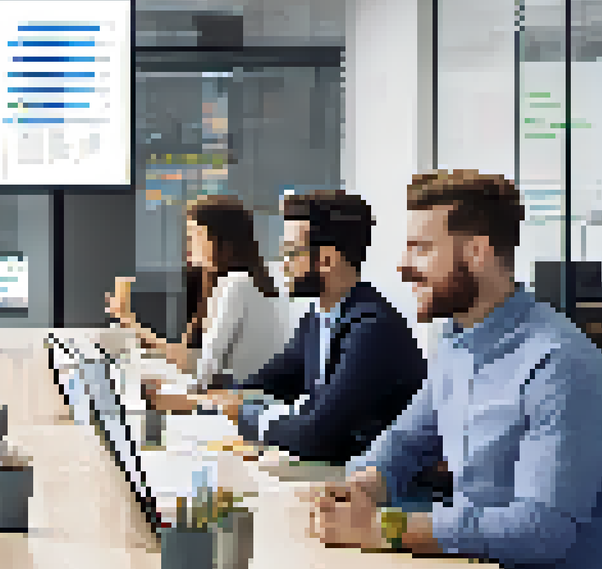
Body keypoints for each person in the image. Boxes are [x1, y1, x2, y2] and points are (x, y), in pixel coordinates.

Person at [309, 170, 602, 569]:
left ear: (476, 252)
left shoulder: (558, 364)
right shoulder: (457, 342)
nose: (403, 265)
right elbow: (404, 443)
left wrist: (383, 528)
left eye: (422, 248)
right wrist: (359, 488)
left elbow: (542, 530)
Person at [151, 190, 429, 464]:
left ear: (326, 261)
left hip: (376, 488)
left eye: (290, 252)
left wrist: (243, 414)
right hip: (341, 472)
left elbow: (317, 434)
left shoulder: (371, 329)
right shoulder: (319, 317)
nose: (283, 265)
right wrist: (204, 403)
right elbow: (272, 381)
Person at [106, 193, 288, 391]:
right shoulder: (222, 283)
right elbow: (192, 358)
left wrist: (131, 322)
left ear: (222, 240)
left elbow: (203, 370)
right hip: (230, 396)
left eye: (195, 236)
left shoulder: (238, 284)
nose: (188, 246)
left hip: (236, 401)